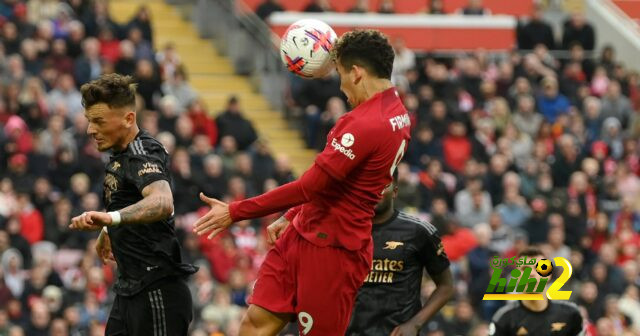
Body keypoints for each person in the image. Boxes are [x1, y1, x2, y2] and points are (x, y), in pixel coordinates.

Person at [193, 30, 412, 336]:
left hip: (335, 250)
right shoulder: (397, 112)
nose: (340, 85)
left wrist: (235, 211)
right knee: (254, 326)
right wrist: (293, 215)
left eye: (340, 74)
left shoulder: (364, 124)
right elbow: (332, 183)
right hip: (304, 232)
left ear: (357, 73)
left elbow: (308, 186)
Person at [68, 74, 198, 336]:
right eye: (89, 120)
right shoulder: (120, 154)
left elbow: (161, 201)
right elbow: (131, 199)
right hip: (130, 289)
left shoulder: (142, 152)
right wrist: (108, 231)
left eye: (98, 121)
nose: (90, 130)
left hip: (157, 291)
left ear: (128, 119)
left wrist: (112, 219)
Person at [346, 173, 454, 335]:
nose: (375, 191)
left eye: (383, 186)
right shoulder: (343, 230)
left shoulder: (419, 231)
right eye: (369, 185)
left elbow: (446, 286)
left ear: (395, 191)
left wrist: (416, 323)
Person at [489, 246, 585, 336]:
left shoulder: (570, 314)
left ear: (548, 275)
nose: (531, 274)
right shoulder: (504, 319)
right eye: (525, 269)